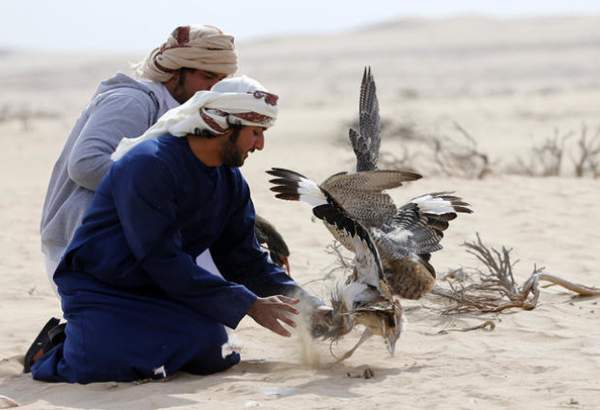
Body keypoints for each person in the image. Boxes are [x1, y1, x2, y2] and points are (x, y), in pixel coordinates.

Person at [27, 76, 321, 383]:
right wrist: (248, 304)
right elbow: (159, 257)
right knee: (106, 365)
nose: (260, 145)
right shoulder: (148, 164)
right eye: (255, 132)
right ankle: (54, 347)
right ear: (223, 125)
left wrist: (310, 306)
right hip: (102, 286)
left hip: (161, 287)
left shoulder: (231, 181)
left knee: (213, 352)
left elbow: (245, 260)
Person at [40, 25, 237, 294]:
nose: (213, 89)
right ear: (175, 71)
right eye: (207, 77)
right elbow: (86, 165)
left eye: (221, 80)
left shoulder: (183, 113)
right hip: (84, 248)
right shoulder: (131, 101)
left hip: (138, 243)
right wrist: (167, 192)